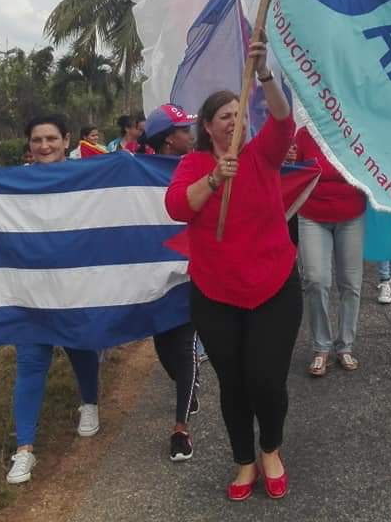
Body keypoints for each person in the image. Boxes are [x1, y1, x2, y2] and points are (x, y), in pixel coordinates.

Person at [165, 33, 300, 501]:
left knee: (266, 379)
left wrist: (263, 75)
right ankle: (244, 462)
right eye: (225, 116)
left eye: (240, 115)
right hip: (216, 295)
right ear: (207, 125)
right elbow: (178, 207)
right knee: (235, 382)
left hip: (274, 287)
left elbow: (283, 121)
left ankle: (271, 450)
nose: (234, 122)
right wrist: (213, 178)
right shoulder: (194, 164)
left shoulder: (261, 154)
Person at [6, 114, 101, 485]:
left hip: (75, 285)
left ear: (65, 141)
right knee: (30, 363)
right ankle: (24, 450)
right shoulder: (15, 181)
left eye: (51, 139)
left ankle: (90, 404)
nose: (44, 146)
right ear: (28, 146)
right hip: (31, 288)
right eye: (36, 140)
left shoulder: (84, 176)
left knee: (81, 348)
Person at [139, 103, 201, 461]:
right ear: (167, 140)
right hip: (154, 272)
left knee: (184, 341)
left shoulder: (198, 166)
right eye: (183, 130)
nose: (190, 136)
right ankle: (187, 387)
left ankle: (180, 428)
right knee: (164, 345)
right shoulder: (138, 171)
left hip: (190, 270)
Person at [294, 126, 366, 377]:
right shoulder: (304, 135)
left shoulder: (355, 129)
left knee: (350, 284)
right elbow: (295, 173)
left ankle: (345, 346)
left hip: (352, 213)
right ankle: (321, 347)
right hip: (312, 214)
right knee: (315, 280)